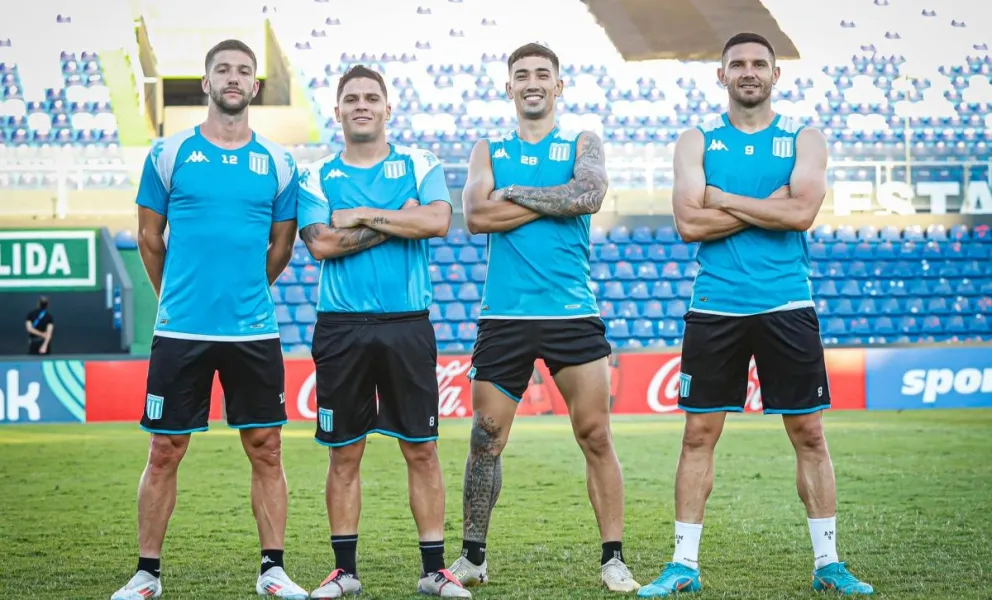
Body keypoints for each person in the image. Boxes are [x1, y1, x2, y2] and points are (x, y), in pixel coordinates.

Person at [636, 32, 874, 597]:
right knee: (699, 434)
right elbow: (690, 225)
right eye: (737, 64)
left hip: (787, 302)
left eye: (758, 64)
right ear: (721, 76)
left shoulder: (803, 137)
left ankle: (828, 564)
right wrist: (772, 206)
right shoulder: (696, 140)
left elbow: (803, 212)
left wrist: (724, 199)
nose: (748, 71)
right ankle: (683, 567)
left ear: (775, 75)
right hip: (715, 305)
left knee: (809, 433)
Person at [111, 39, 309, 600]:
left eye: (244, 70)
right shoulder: (168, 153)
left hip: (253, 330)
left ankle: (272, 569)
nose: (233, 77)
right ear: (206, 82)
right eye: (222, 69)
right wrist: (174, 295)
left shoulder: (277, 161)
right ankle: (147, 573)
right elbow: (150, 238)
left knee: (266, 447)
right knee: (164, 450)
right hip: (181, 331)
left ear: (254, 86)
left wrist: (246, 291)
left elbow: (282, 246)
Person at [446, 43, 640, 593]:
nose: (532, 82)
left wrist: (514, 193)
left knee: (596, 434)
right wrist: (554, 198)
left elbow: (591, 193)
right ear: (509, 88)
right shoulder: (488, 148)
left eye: (542, 74)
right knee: (485, 439)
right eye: (521, 75)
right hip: (503, 316)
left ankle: (613, 558)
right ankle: (473, 558)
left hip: (571, 311)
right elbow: (476, 215)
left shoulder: (583, 141)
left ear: (559, 85)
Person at [296, 65, 470, 599]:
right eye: (352, 99)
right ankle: (344, 572)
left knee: (421, 448)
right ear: (338, 111)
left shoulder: (421, 163)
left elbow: (438, 222)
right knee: (344, 452)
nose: (362, 105)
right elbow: (322, 245)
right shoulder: (315, 174)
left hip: (406, 324)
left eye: (372, 97)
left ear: (387, 108)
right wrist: (397, 217)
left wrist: (362, 215)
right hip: (341, 327)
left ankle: (434, 570)